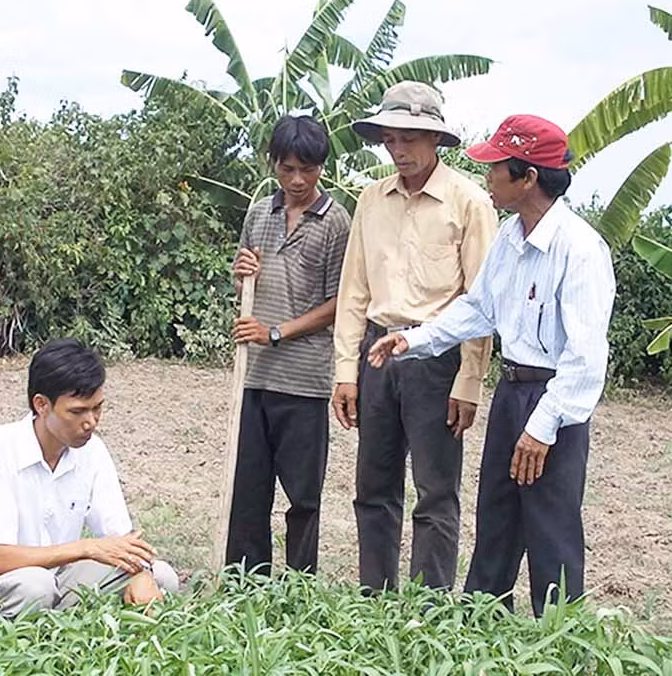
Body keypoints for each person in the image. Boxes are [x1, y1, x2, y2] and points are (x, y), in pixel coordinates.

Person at [365, 114, 615, 616]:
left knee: (551, 526)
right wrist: (414, 339)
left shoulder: (580, 250)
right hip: (512, 391)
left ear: (528, 178)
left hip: (555, 400)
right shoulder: (509, 238)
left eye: (496, 167)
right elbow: (478, 309)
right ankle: (484, 627)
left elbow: (585, 357)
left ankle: (558, 638)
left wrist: (541, 427)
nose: (487, 177)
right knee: (496, 518)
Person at [331, 80, 498, 592]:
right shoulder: (371, 200)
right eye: (389, 139)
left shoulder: (469, 203)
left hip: (437, 359)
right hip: (377, 354)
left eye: (408, 138)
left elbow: (481, 303)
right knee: (373, 486)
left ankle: (430, 606)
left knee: (436, 491)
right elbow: (354, 290)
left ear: (435, 139)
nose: (398, 150)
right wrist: (346, 372)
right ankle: (374, 596)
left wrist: (469, 380)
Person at [0, 338, 178, 618]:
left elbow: (119, 538)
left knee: (162, 577)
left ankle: (75, 627)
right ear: (41, 405)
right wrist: (86, 548)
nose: (91, 422)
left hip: (60, 577)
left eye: (97, 408)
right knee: (36, 587)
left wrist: (140, 572)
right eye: (77, 411)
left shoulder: (93, 451)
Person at [226, 114, 351, 575]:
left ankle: (299, 584)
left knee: (303, 497)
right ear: (273, 164)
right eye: (287, 169)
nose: (297, 180)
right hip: (254, 376)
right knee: (247, 490)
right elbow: (243, 285)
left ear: (321, 166)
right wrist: (243, 277)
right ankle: (245, 582)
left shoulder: (337, 222)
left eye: (307, 169)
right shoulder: (260, 213)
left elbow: (340, 302)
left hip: (304, 381)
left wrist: (276, 332)